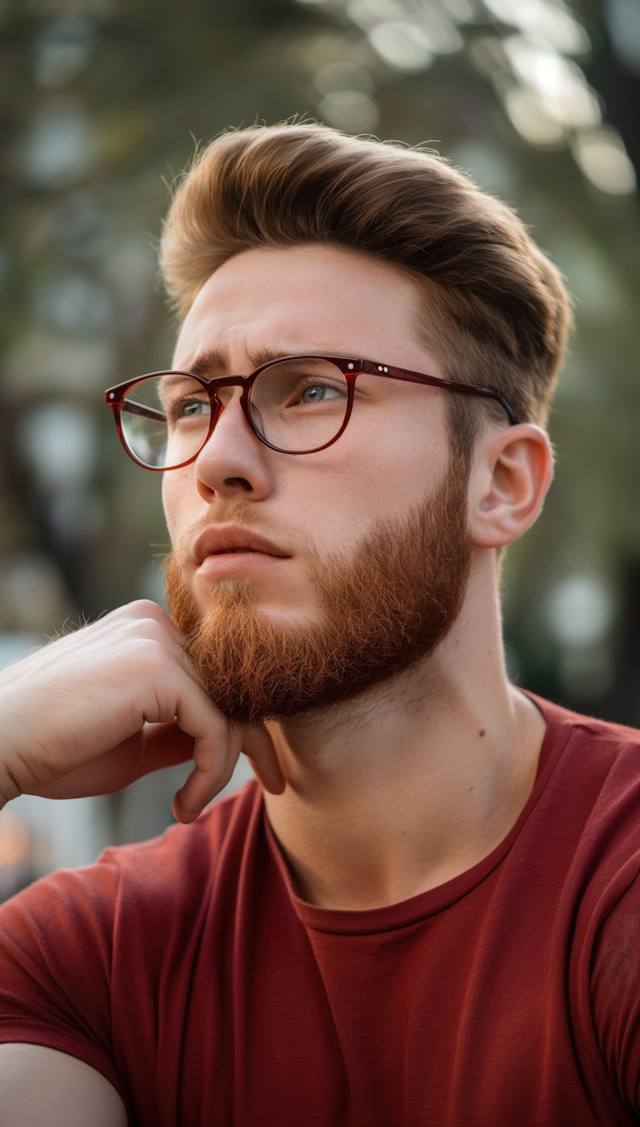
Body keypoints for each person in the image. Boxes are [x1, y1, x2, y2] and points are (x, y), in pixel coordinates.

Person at [0, 122, 638, 1127]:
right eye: (189, 403)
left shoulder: (617, 880)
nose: (216, 460)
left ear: (501, 483)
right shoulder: (89, 952)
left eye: (309, 390)